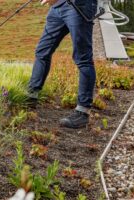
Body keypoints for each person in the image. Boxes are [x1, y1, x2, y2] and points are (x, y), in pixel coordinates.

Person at [28, 0, 98, 129]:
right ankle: (31, 95)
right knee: (42, 51)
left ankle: (82, 112)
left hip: (79, 6)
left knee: (83, 58)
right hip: (57, 7)